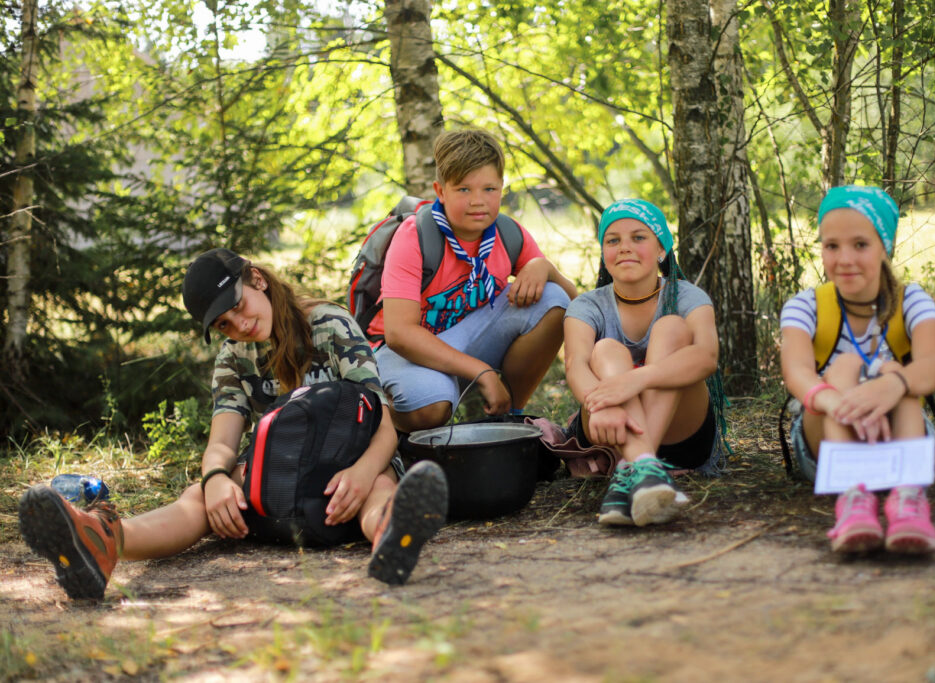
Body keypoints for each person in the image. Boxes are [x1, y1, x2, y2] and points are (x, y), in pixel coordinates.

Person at [18, 248, 447, 600]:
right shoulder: (232, 358)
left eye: (237, 306)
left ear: (257, 279)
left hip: (352, 468)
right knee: (199, 497)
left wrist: (363, 471)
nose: (239, 325)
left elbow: (383, 421)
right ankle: (103, 542)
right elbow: (222, 442)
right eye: (224, 324)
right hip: (280, 477)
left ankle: (392, 534)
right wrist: (216, 480)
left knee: (381, 488)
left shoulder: (328, 324)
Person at [367, 128, 577, 433]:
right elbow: (399, 334)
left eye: (489, 189)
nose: (478, 201)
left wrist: (545, 268)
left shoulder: (508, 234)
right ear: (440, 192)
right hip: (409, 352)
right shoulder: (415, 236)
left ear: (502, 188)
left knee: (552, 298)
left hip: (472, 337)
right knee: (430, 408)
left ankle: (505, 416)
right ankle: (393, 430)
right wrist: (482, 372)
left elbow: (574, 304)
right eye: (464, 189)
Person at [780, 185, 935, 554]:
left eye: (860, 245)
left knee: (894, 374)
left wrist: (891, 385)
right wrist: (841, 404)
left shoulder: (912, 300)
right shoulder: (805, 306)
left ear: (884, 247)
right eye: (831, 246)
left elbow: (934, 366)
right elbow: (796, 371)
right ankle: (853, 498)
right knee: (845, 364)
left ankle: (907, 499)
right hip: (825, 442)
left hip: (900, 436)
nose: (844, 259)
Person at [563, 199, 721, 527]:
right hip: (608, 428)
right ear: (604, 252)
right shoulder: (586, 305)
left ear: (662, 250)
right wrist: (602, 402)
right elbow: (576, 364)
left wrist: (638, 379)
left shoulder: (688, 297)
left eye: (638, 237)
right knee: (605, 349)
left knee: (672, 327)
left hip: (682, 436)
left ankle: (630, 468)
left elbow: (707, 357)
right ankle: (645, 467)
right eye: (613, 240)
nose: (625, 248)